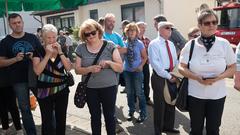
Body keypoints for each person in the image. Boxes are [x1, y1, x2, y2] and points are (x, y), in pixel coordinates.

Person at [178, 9, 236, 135]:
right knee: (196, 129)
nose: (212, 25)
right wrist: (196, 77)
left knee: (213, 130)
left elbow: (232, 67)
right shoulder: (191, 45)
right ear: (199, 25)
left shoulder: (224, 44)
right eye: (207, 23)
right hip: (195, 95)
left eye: (214, 22)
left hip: (217, 96)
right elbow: (181, 67)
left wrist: (219, 77)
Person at [75, 19, 123, 135]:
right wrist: (89, 69)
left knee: (109, 116)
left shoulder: (109, 45)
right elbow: (77, 70)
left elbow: (120, 67)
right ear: (83, 35)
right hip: (90, 88)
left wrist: (109, 63)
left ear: (98, 31)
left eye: (93, 32)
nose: (90, 36)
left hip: (109, 87)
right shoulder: (81, 48)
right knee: (95, 116)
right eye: (87, 34)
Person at [0, 13, 40, 135]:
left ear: (22, 22)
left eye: (19, 22)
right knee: (25, 108)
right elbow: (1, 62)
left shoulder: (32, 38)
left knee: (45, 104)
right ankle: (31, 133)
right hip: (17, 80)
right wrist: (15, 59)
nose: (17, 25)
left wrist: (34, 57)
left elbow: (42, 55)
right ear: (10, 25)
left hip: (35, 76)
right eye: (14, 23)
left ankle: (50, 130)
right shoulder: (5, 42)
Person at [32, 24, 71, 135]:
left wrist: (60, 52)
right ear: (43, 38)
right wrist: (47, 55)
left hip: (62, 89)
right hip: (44, 91)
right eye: (48, 37)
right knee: (47, 121)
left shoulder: (61, 49)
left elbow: (68, 68)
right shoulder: (38, 51)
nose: (51, 40)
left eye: (54, 37)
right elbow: (37, 71)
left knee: (61, 120)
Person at [148, 21, 179, 134]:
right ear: (160, 30)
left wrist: (175, 73)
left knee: (171, 102)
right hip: (160, 76)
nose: (170, 30)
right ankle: (158, 130)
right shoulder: (154, 44)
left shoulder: (170, 44)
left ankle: (168, 127)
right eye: (167, 28)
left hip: (172, 74)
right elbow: (155, 64)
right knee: (160, 104)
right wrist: (168, 75)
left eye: (171, 28)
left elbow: (175, 61)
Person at [103, 13, 126, 129]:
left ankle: (111, 118)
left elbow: (125, 49)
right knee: (105, 96)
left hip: (115, 70)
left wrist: (114, 50)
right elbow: (101, 52)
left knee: (112, 96)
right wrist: (116, 49)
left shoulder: (116, 35)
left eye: (113, 21)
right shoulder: (100, 35)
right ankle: (110, 118)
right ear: (105, 22)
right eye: (109, 21)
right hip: (103, 71)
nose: (111, 23)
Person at [124, 22, 148, 123]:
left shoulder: (139, 43)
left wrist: (140, 66)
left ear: (136, 32)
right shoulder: (124, 43)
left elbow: (145, 57)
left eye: (133, 30)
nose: (131, 32)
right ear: (126, 32)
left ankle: (143, 114)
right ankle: (131, 111)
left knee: (139, 93)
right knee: (129, 93)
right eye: (129, 30)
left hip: (137, 72)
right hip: (127, 72)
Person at [0, 67, 23, 135]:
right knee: (1, 108)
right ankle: (5, 128)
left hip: (8, 82)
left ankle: (19, 129)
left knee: (13, 107)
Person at [136, 21, 153, 106]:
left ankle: (147, 99)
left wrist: (149, 58)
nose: (144, 29)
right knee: (136, 83)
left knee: (146, 82)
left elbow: (150, 52)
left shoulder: (147, 40)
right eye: (142, 27)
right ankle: (135, 100)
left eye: (144, 28)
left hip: (145, 64)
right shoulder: (132, 39)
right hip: (135, 65)